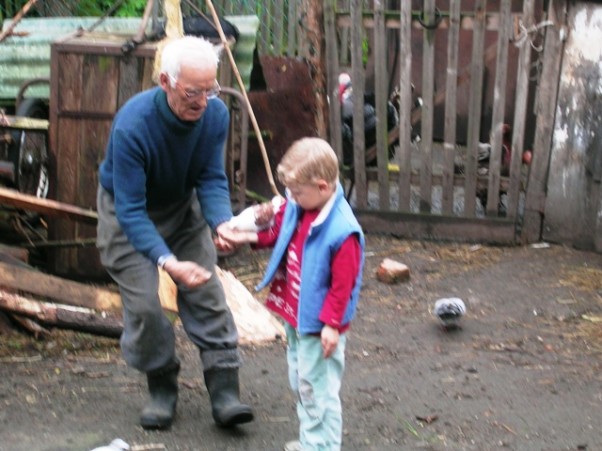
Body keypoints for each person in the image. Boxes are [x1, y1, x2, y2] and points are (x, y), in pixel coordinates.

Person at [95, 35, 253, 430]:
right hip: (128, 212)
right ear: (165, 82)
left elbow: (211, 177)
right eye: (192, 91)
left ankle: (225, 392)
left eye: (210, 89)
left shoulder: (214, 116)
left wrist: (222, 222)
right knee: (146, 306)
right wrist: (167, 261)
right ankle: (162, 386)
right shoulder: (134, 125)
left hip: (182, 210)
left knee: (208, 295)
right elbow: (130, 210)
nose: (202, 101)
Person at [228, 137, 365, 450]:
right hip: (297, 314)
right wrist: (243, 236)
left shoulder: (342, 231)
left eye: (297, 192)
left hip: (319, 325)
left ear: (322, 186)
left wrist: (332, 324)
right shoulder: (302, 208)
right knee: (303, 382)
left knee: (317, 389)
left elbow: (343, 286)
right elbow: (278, 234)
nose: (291, 197)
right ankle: (311, 442)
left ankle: (321, 446)